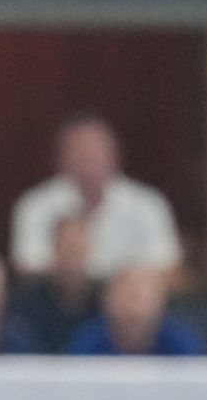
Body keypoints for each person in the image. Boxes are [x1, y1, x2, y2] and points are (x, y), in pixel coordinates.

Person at [10, 114, 181, 280]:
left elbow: (167, 265)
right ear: (61, 157)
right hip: (58, 296)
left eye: (95, 153)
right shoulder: (36, 205)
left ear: (114, 155)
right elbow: (27, 264)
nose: (88, 162)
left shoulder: (148, 205)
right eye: (79, 153)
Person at [8, 213, 101, 353]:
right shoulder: (29, 296)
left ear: (88, 248)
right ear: (54, 247)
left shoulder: (103, 298)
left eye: (77, 247)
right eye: (67, 247)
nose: (72, 254)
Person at [66, 266, 204, 356]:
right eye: (126, 296)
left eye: (140, 297)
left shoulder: (181, 342)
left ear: (160, 302)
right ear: (107, 300)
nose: (133, 308)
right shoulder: (87, 342)